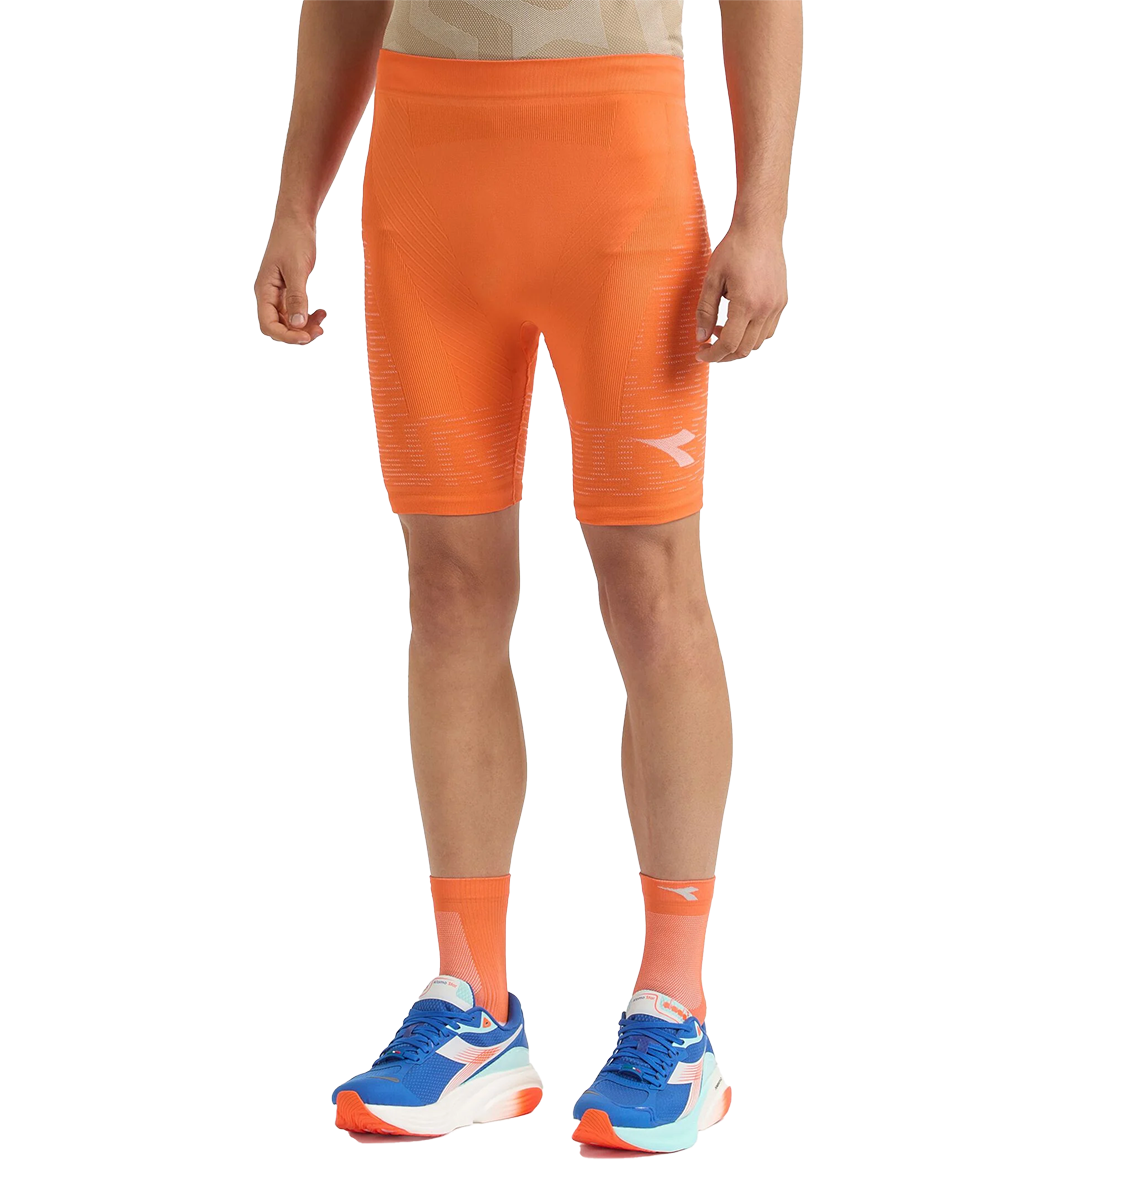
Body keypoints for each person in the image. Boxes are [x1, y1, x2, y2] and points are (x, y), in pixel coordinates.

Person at [256, 0, 800, 1154]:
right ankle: (474, 1007)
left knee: (650, 588)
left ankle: (677, 1012)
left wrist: (762, 216)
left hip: (619, 173)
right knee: (448, 590)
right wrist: (296, 199)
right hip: (427, 180)